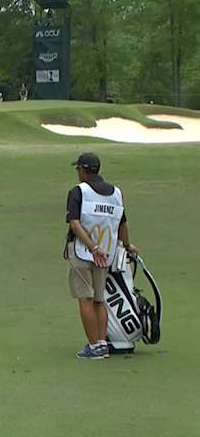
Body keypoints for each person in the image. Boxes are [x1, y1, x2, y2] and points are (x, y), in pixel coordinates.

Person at [65, 153, 137, 360]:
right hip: (106, 255)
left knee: (85, 298)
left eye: (78, 168)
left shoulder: (79, 191)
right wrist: (127, 245)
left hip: (84, 253)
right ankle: (102, 344)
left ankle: (94, 345)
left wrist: (92, 247)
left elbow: (75, 224)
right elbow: (122, 224)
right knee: (99, 300)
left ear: (82, 170)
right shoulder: (116, 193)